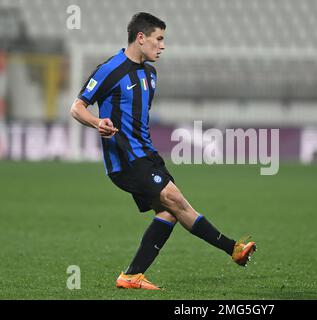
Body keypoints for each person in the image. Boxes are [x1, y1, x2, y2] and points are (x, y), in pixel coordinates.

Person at [70, 12, 256, 290]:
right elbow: (77, 108)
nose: (163, 45)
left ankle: (131, 276)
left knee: (169, 211)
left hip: (147, 155)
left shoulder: (151, 74)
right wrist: (98, 122)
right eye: (159, 39)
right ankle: (233, 250)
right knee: (175, 199)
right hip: (125, 159)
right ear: (141, 38)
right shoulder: (110, 69)